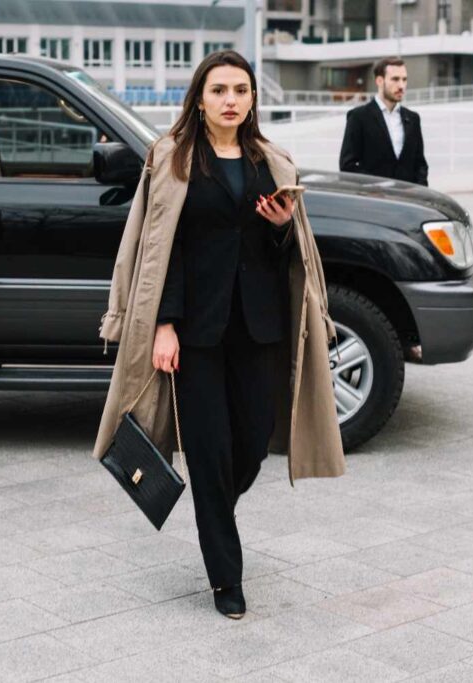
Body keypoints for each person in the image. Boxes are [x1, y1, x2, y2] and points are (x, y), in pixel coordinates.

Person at [93, 50, 345, 619]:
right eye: (218, 90)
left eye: (240, 89)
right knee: (207, 452)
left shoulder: (272, 160)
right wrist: (165, 324)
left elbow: (289, 255)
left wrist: (282, 230)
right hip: (196, 331)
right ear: (199, 99)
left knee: (252, 442)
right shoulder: (173, 158)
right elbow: (163, 248)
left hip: (257, 327)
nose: (230, 99)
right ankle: (225, 579)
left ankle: (213, 512)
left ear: (253, 98)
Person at [339, 57, 429, 186]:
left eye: (404, 79)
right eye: (395, 79)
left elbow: (420, 164)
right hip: (375, 202)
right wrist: (375, 189)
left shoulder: (413, 118)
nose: (401, 86)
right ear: (380, 81)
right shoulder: (358, 117)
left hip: (409, 200)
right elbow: (347, 165)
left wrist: (421, 194)